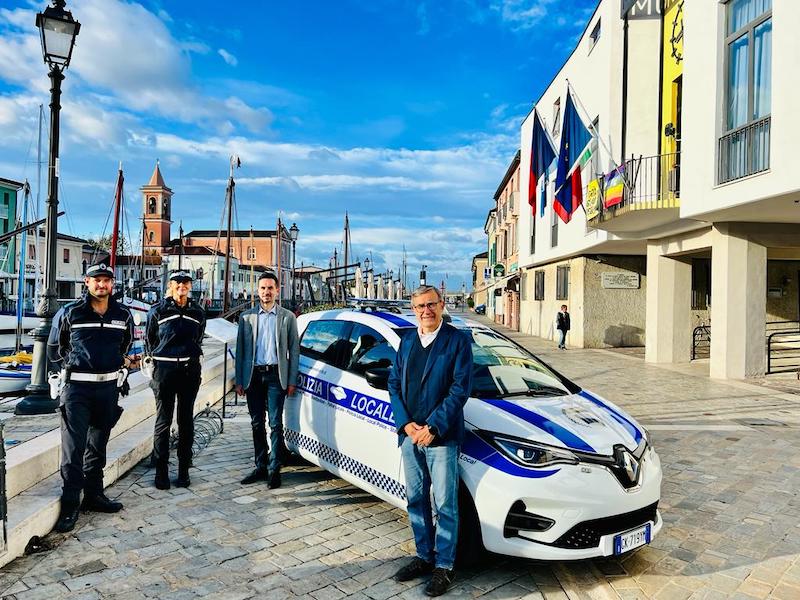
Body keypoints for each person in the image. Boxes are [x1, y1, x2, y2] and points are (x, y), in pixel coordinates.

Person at [388, 285, 473, 597]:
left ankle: (444, 566)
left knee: (446, 504)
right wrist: (406, 424)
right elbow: (393, 383)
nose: (426, 311)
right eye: (421, 306)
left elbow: (459, 389)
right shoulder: (407, 341)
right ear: (414, 309)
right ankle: (424, 557)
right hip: (410, 435)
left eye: (432, 305)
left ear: (442, 305)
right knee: (416, 499)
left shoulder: (457, 341)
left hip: (442, 437)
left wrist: (433, 427)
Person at [48, 261, 136, 533]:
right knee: (74, 447)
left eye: (106, 280)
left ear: (112, 284)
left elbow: (126, 345)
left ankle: (94, 495)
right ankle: (71, 502)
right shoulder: (70, 313)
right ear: (86, 283)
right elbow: (54, 349)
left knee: (98, 444)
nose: (101, 284)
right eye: (96, 280)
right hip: (77, 390)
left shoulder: (123, 315)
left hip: (108, 388)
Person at [235, 271, 299, 489]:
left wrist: (291, 380)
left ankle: (274, 468)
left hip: (275, 376)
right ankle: (260, 465)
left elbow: (294, 351)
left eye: (270, 288)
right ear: (258, 290)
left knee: (275, 423)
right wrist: (240, 380)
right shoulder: (246, 318)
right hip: (253, 376)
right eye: (263, 288)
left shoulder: (287, 318)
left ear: (277, 290)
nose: (266, 292)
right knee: (255, 423)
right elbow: (241, 350)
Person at [145, 270, 206, 490]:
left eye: (185, 282)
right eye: (177, 282)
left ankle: (183, 470)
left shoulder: (197, 311)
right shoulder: (158, 311)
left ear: (190, 286)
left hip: (189, 370)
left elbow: (198, 337)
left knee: (186, 421)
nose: (182, 286)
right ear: (170, 285)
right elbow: (150, 340)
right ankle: (161, 470)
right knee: (163, 421)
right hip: (165, 370)